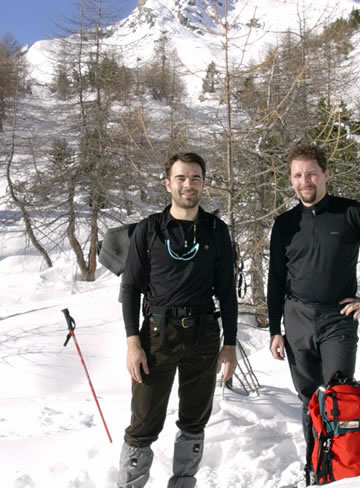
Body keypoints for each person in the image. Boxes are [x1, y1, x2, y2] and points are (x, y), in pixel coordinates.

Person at [267, 144, 360, 484]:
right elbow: (276, 279)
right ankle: (316, 467)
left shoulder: (350, 212)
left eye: (311, 174)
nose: (305, 181)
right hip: (296, 318)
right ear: (291, 179)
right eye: (298, 175)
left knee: (339, 395)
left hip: (337, 318)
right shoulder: (285, 224)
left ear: (325, 174)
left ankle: (341, 468)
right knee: (309, 399)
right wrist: (275, 330)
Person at [118, 152, 238, 488]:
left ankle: (184, 483)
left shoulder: (216, 230)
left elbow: (227, 292)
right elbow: (130, 288)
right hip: (156, 336)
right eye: (181, 178)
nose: (189, 185)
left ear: (204, 183)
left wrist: (229, 344)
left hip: (203, 335)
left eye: (195, 178)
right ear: (167, 184)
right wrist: (132, 342)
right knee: (143, 423)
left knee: (194, 421)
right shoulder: (149, 230)